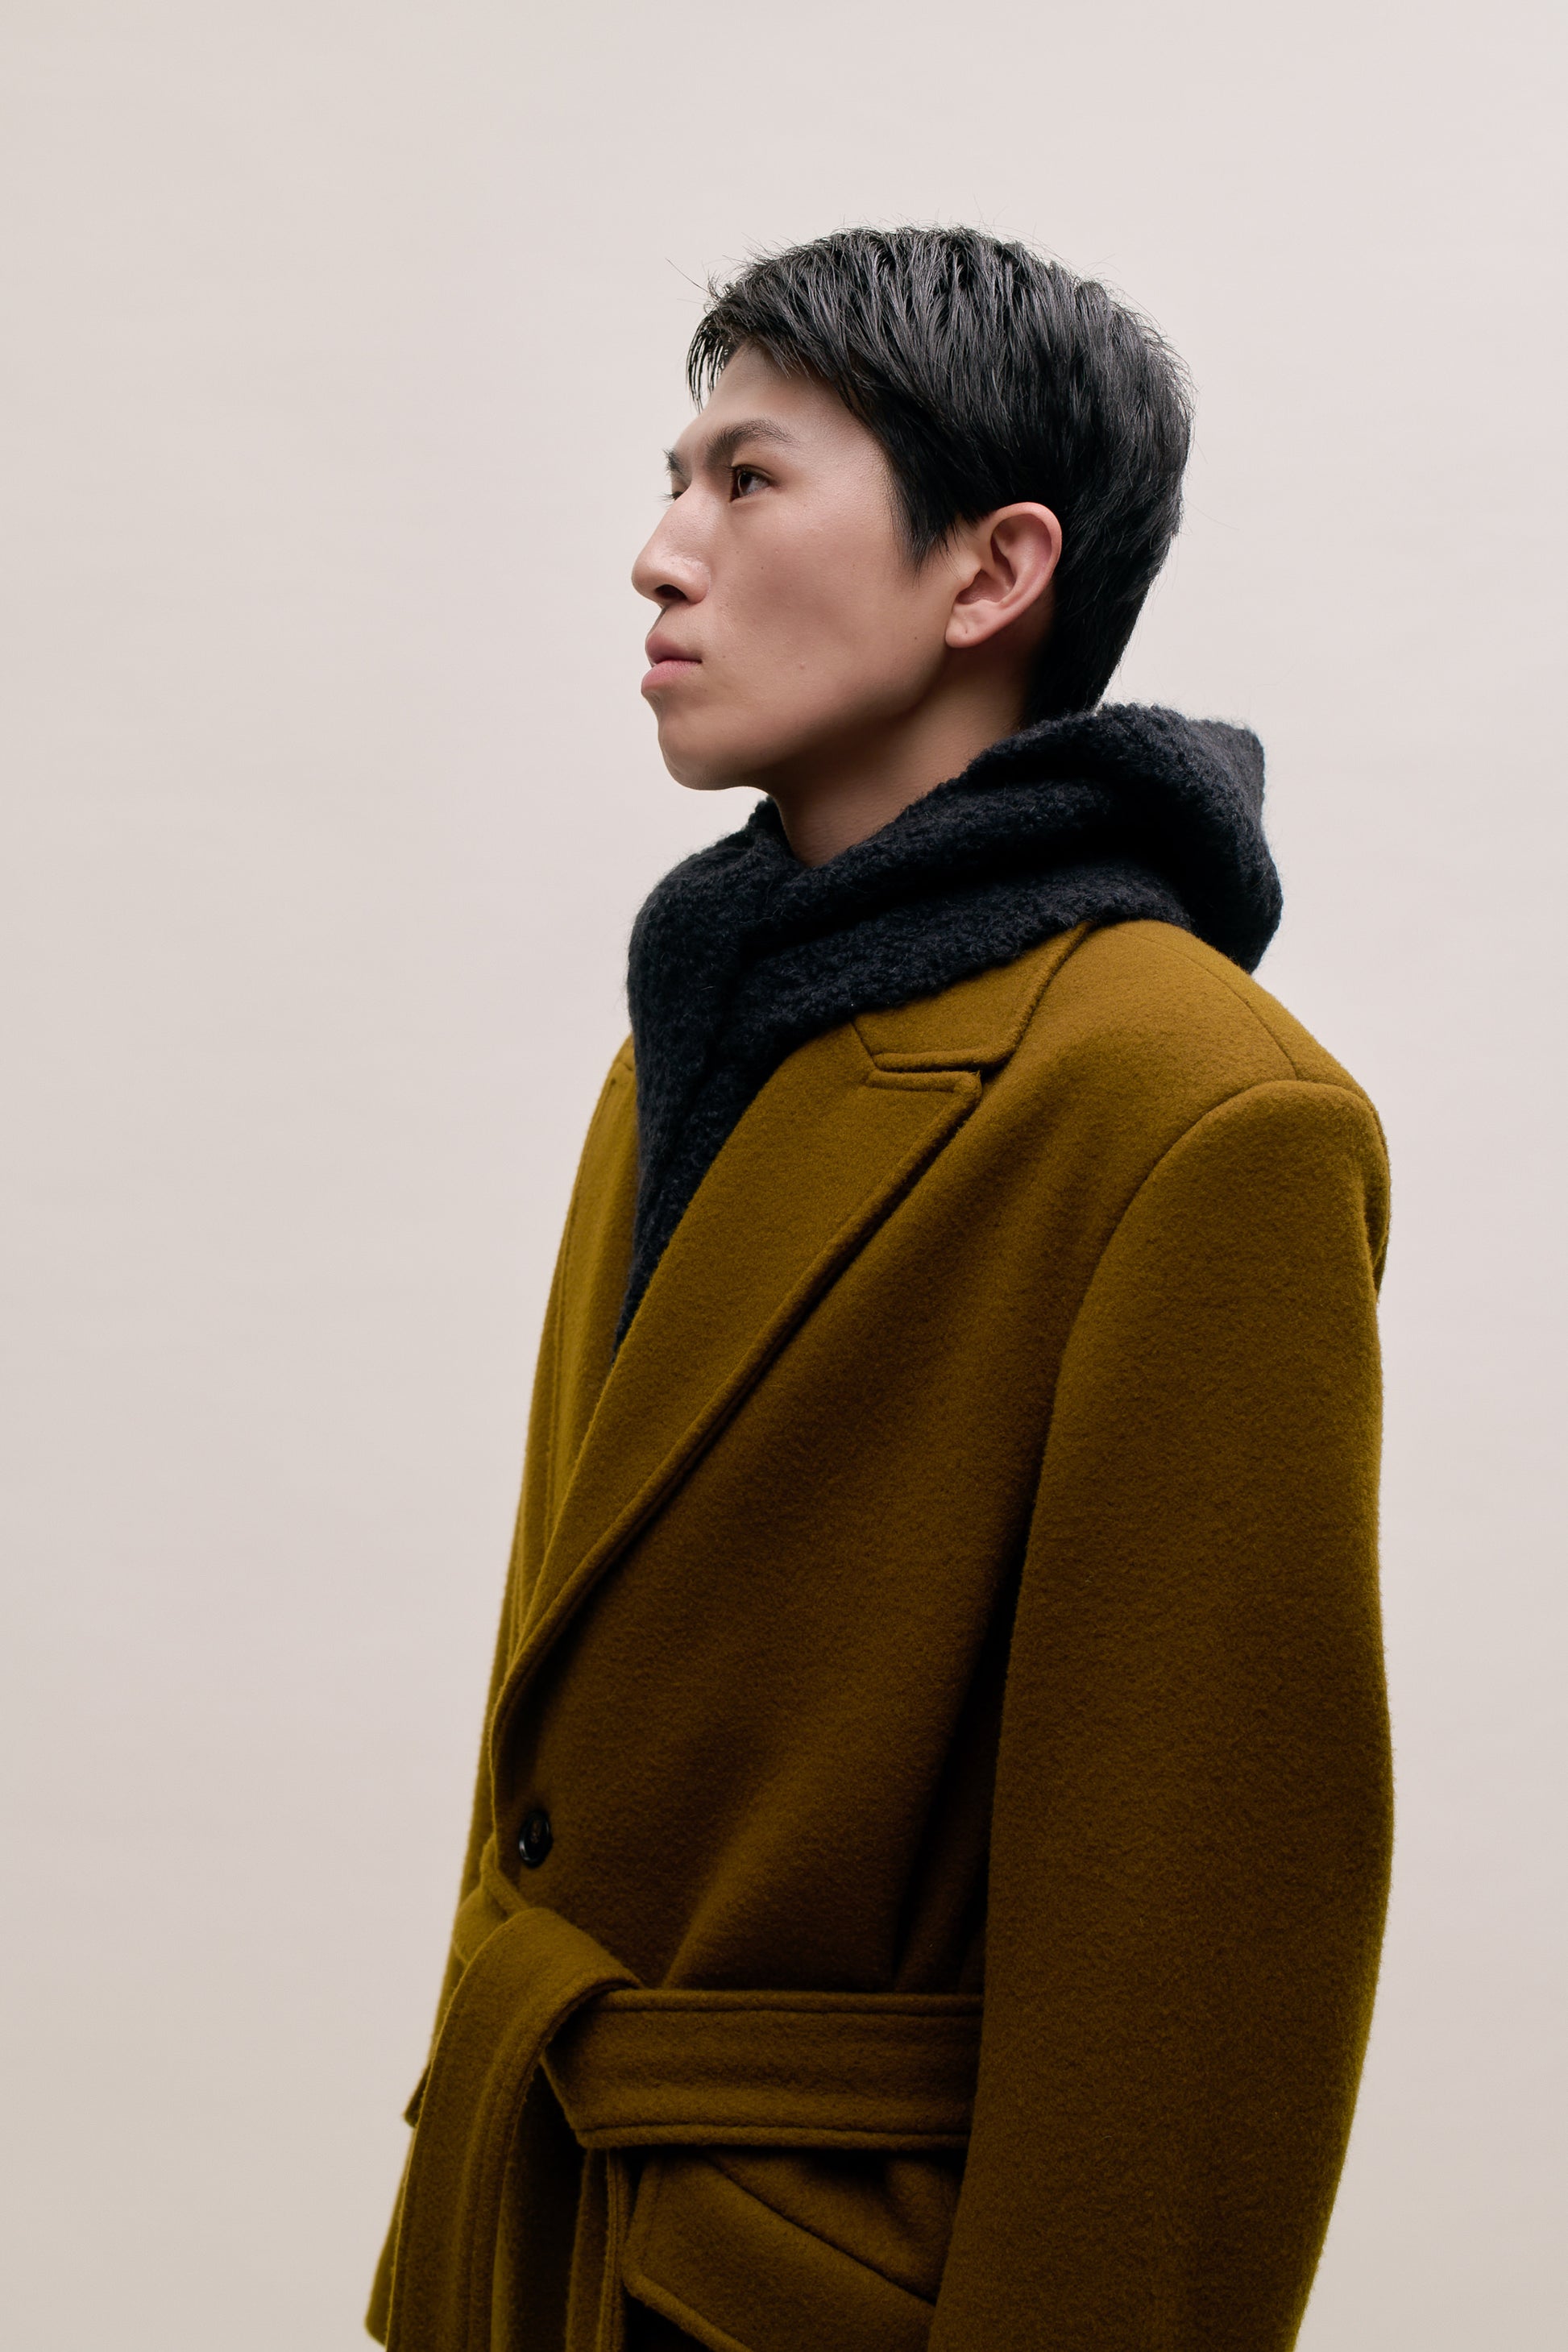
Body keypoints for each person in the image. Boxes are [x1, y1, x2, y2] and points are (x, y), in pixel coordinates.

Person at [367, 226, 1392, 2352]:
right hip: (540, 2246)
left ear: (991, 572)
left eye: (748, 480)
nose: (661, 553)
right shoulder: (696, 1036)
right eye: (674, 480)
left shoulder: (1197, 1112)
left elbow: (1193, 1986)